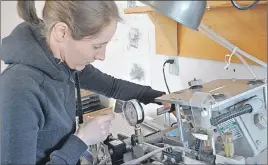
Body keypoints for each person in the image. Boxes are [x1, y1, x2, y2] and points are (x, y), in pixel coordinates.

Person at [0, 1, 166, 164]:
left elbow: (113, 86)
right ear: (62, 32)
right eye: (97, 46)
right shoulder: (19, 90)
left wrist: (166, 99)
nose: (102, 56)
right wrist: (81, 140)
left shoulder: (65, 64)